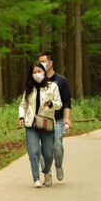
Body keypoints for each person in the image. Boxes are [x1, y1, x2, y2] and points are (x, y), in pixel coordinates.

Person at [18, 62, 62, 189]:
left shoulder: (53, 87)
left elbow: (59, 103)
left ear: (44, 72)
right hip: (31, 123)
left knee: (48, 153)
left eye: (39, 71)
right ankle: (36, 178)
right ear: (31, 74)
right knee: (34, 151)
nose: (37, 74)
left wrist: (51, 104)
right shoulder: (29, 88)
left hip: (46, 123)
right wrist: (21, 116)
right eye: (34, 72)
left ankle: (46, 171)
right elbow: (23, 105)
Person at [38, 51, 71, 183]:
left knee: (57, 146)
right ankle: (47, 173)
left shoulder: (61, 81)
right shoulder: (38, 80)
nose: (41, 64)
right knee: (43, 149)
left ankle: (58, 165)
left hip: (57, 120)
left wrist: (67, 118)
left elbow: (67, 101)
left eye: (43, 62)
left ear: (50, 63)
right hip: (41, 120)